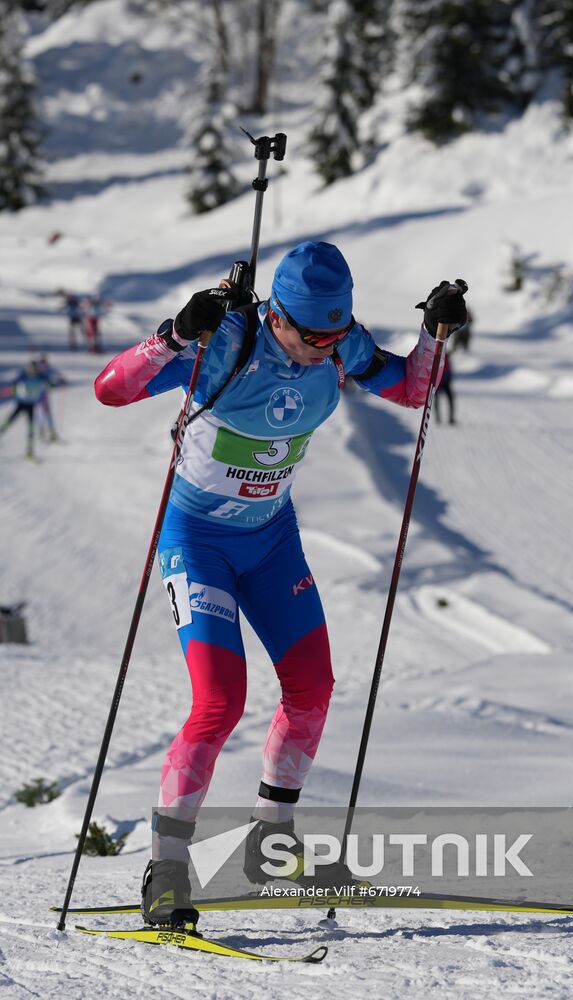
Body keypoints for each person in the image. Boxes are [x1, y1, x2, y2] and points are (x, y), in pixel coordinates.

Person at [94, 240, 467, 927]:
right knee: (219, 701)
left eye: (335, 335)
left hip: (270, 542)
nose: (325, 350)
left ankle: (272, 840)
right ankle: (168, 871)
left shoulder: (340, 344)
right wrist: (171, 335)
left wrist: (432, 332)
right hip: (198, 542)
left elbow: (413, 389)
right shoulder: (225, 340)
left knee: (312, 686)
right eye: (313, 336)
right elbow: (110, 389)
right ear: (278, 317)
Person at [0, 360, 48, 460]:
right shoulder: (23, 376)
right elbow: (13, 387)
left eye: (34, 369)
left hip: (31, 405)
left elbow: (49, 384)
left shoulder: (40, 378)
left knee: (31, 428)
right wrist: (5, 391)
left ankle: (30, 451)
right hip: (21, 404)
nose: (32, 370)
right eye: (30, 368)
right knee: (9, 422)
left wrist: (57, 383)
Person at [34, 355, 66, 442]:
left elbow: (56, 374)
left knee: (45, 413)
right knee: (41, 413)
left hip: (43, 395)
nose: (43, 367)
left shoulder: (47, 369)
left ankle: (49, 431)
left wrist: (61, 380)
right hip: (37, 395)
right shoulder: (37, 371)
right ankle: (44, 431)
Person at [434, 350, 455, 425]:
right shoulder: (436, 356)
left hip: (445, 382)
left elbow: (449, 371)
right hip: (439, 383)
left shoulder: (445, 356)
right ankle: (438, 417)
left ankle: (451, 418)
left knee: (450, 400)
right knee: (437, 401)